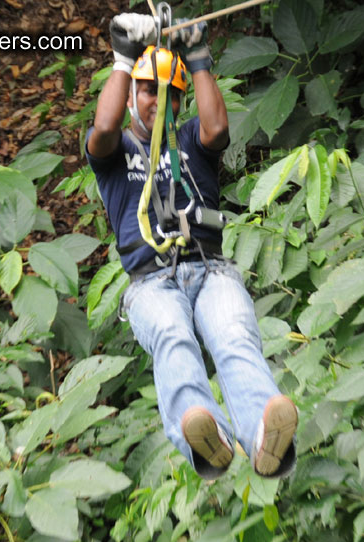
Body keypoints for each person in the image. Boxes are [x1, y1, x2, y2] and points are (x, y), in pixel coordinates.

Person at [84, 13, 298, 480]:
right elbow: (102, 127)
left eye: (170, 93)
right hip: (152, 284)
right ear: (134, 94)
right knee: (173, 337)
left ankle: (264, 435)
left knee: (234, 336)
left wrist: (198, 55)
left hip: (210, 269)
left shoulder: (189, 144)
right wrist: (123, 58)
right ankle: (208, 439)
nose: (158, 99)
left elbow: (218, 129)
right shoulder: (115, 153)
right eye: (148, 90)